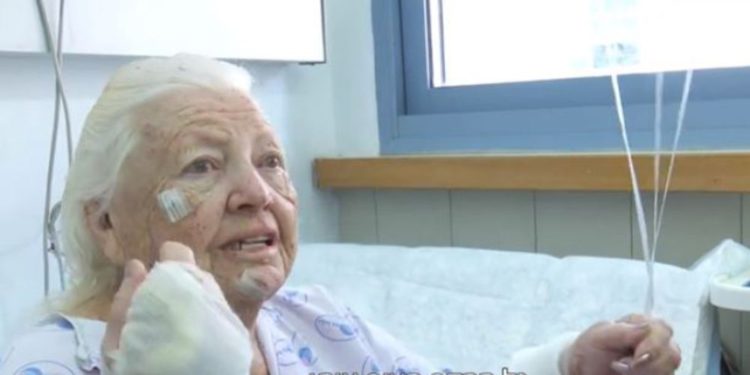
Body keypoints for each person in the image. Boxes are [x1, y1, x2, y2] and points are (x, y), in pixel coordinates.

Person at [0, 55, 680, 375]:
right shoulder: (51, 361)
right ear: (105, 223)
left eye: (269, 161)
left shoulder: (312, 320)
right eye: (201, 165)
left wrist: (563, 365)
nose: (257, 193)